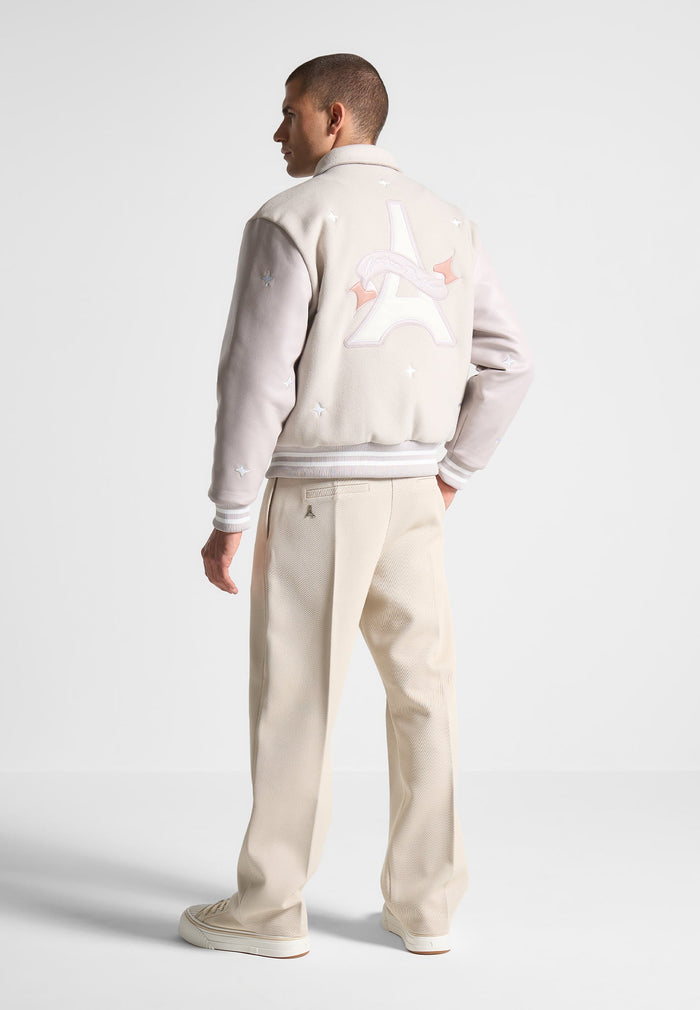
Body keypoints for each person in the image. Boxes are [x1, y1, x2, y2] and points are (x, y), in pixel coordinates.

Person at [178, 53, 534, 959]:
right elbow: (510, 360)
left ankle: (269, 910)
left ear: (335, 116)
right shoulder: (449, 220)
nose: (278, 131)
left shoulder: (291, 218)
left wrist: (229, 514)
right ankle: (427, 906)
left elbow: (255, 378)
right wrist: (453, 468)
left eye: (290, 112)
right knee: (425, 694)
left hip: (318, 495)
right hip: (415, 492)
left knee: (298, 698)